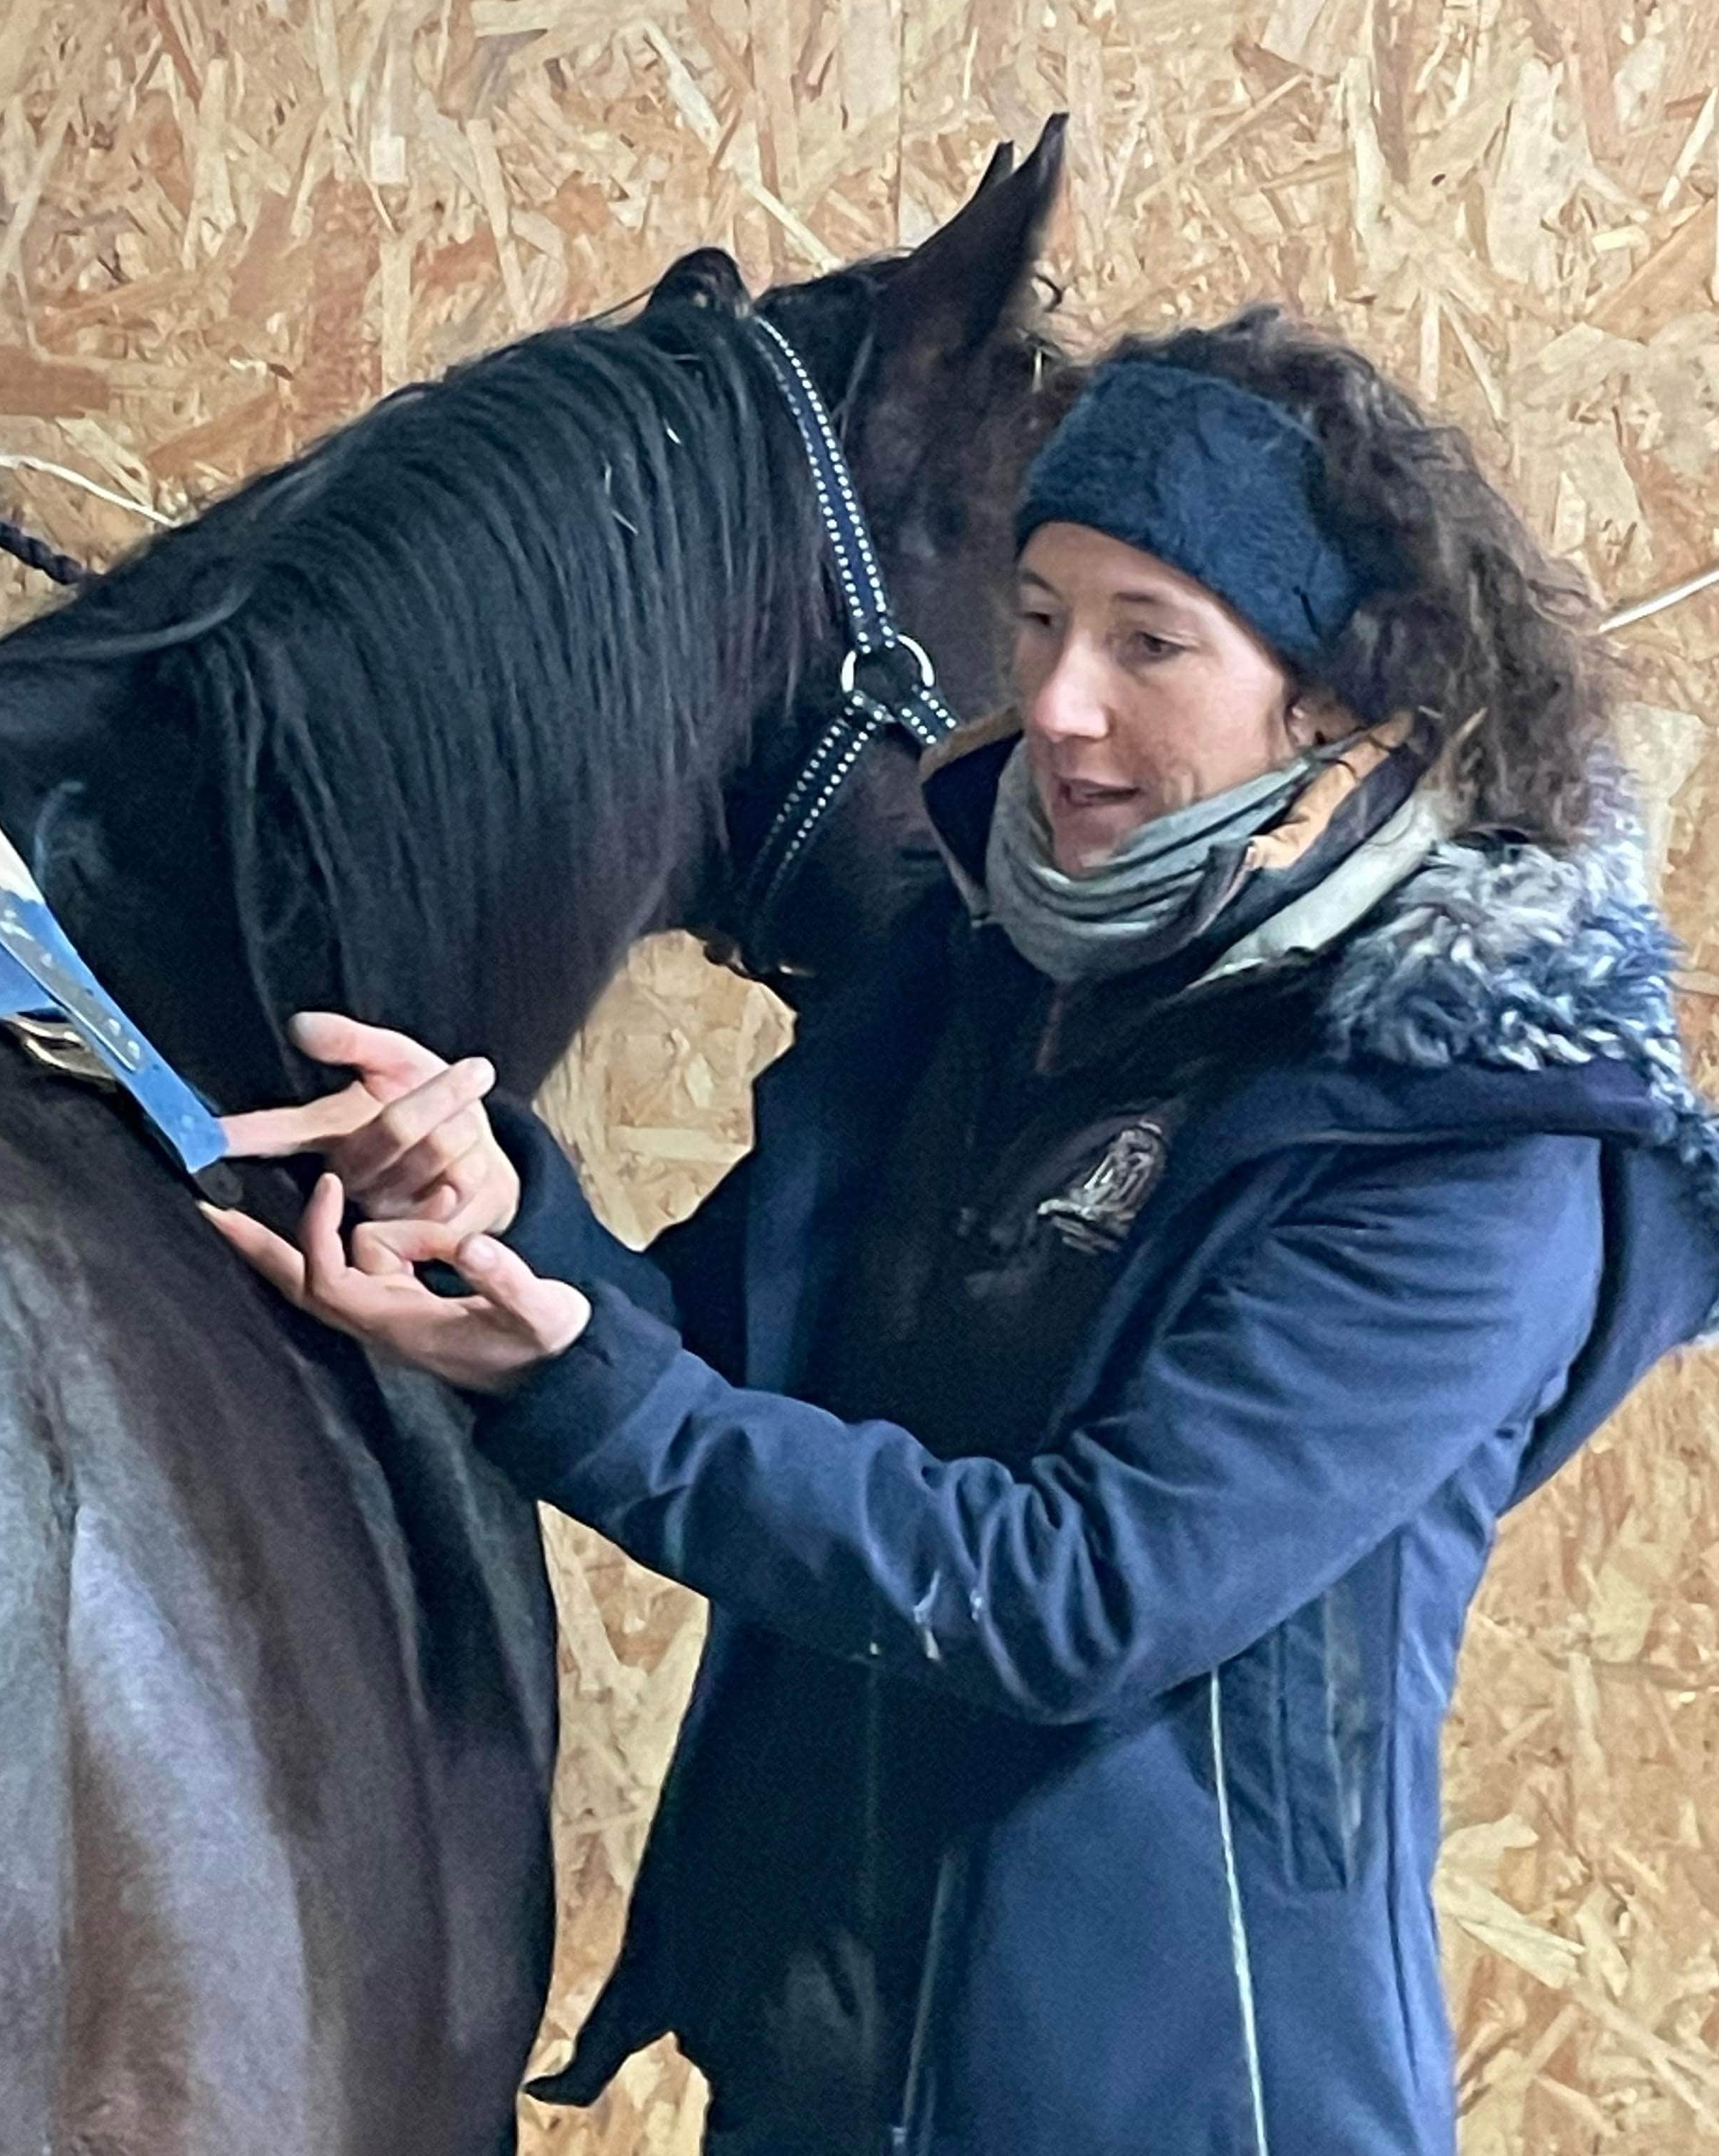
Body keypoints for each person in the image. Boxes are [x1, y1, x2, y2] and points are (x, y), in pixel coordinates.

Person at [207, 310, 1719, 2156]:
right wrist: (504, 1205)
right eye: (1035, 618)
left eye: (1148, 640)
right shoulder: (975, 990)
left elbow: (1088, 1598)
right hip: (820, 2077)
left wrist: (589, 1387)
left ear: (1326, 699)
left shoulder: (1464, 1145)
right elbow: (710, 1350)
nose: (1061, 700)